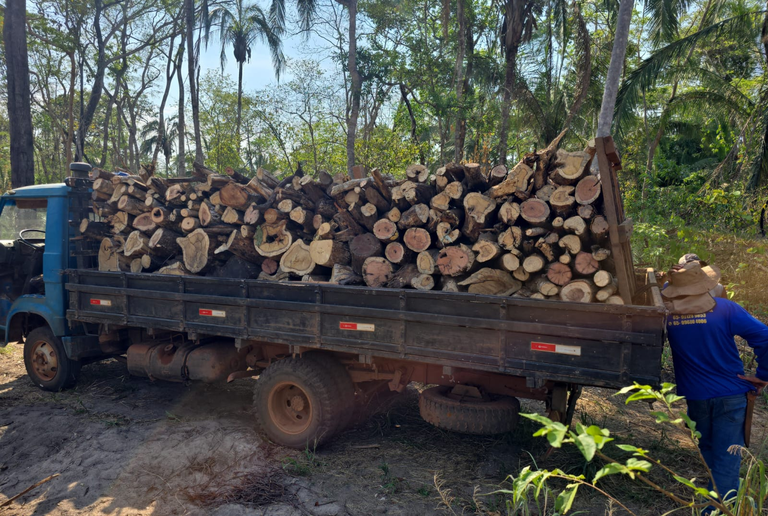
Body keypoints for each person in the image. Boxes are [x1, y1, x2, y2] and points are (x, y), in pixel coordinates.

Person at [663, 261, 768, 505]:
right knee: (728, 456)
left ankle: (715, 498)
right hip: (730, 394)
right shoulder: (725, 309)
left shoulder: (668, 314)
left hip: (695, 395)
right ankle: (719, 509)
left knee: (709, 447)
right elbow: (765, 338)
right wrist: (763, 375)